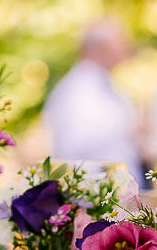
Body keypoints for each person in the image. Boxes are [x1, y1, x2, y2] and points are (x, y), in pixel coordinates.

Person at [43, 19, 145, 188]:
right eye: (121, 44)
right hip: (96, 196)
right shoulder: (76, 90)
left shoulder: (109, 86)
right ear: (101, 49)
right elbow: (74, 144)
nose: (127, 50)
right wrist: (131, 126)